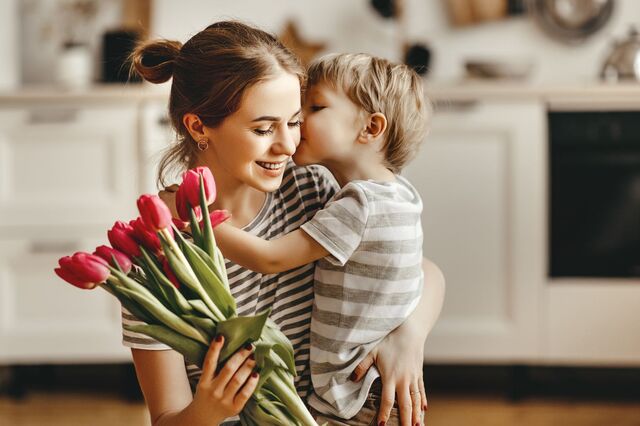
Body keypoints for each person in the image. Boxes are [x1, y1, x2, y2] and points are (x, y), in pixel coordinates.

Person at [124, 21, 445, 426]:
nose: (288, 144)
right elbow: (168, 419)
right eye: (263, 128)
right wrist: (208, 409)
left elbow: (418, 269)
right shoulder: (159, 258)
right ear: (198, 126)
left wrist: (408, 336)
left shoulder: (310, 191)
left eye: (294, 121)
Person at [211, 52, 430, 425]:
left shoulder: (359, 205)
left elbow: (270, 258)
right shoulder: (401, 194)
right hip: (369, 389)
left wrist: (197, 222)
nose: (299, 124)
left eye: (313, 108)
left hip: (354, 393)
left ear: (371, 128)